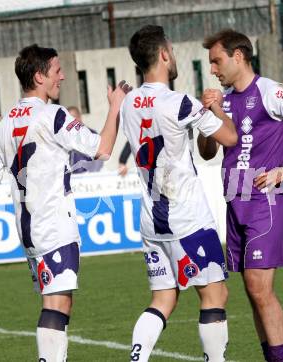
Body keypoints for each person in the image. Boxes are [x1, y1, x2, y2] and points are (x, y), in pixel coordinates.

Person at [0, 44, 131, 361]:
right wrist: (115, 107)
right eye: (56, 71)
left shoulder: (3, 122)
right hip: (54, 224)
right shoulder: (53, 116)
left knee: (58, 301)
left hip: (28, 230)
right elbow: (103, 149)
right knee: (56, 304)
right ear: (39, 76)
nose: (62, 77)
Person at [198, 29, 283, 362]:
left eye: (216, 61)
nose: (212, 69)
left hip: (264, 203)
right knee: (252, 292)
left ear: (238, 56)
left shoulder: (271, 91)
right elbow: (206, 151)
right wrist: (207, 116)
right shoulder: (223, 99)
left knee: (260, 288)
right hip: (234, 203)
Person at [121, 25, 238, 362]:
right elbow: (229, 138)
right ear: (164, 54)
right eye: (170, 49)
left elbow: (203, 148)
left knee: (163, 299)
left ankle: (137, 358)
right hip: (187, 219)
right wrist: (215, 108)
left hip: (151, 222)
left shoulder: (129, 103)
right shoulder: (179, 101)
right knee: (215, 294)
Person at [67, 106, 104, 173]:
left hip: (87, 179)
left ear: (79, 117)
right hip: (72, 179)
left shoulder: (92, 135)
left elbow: (98, 159)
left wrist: (91, 175)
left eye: (73, 117)